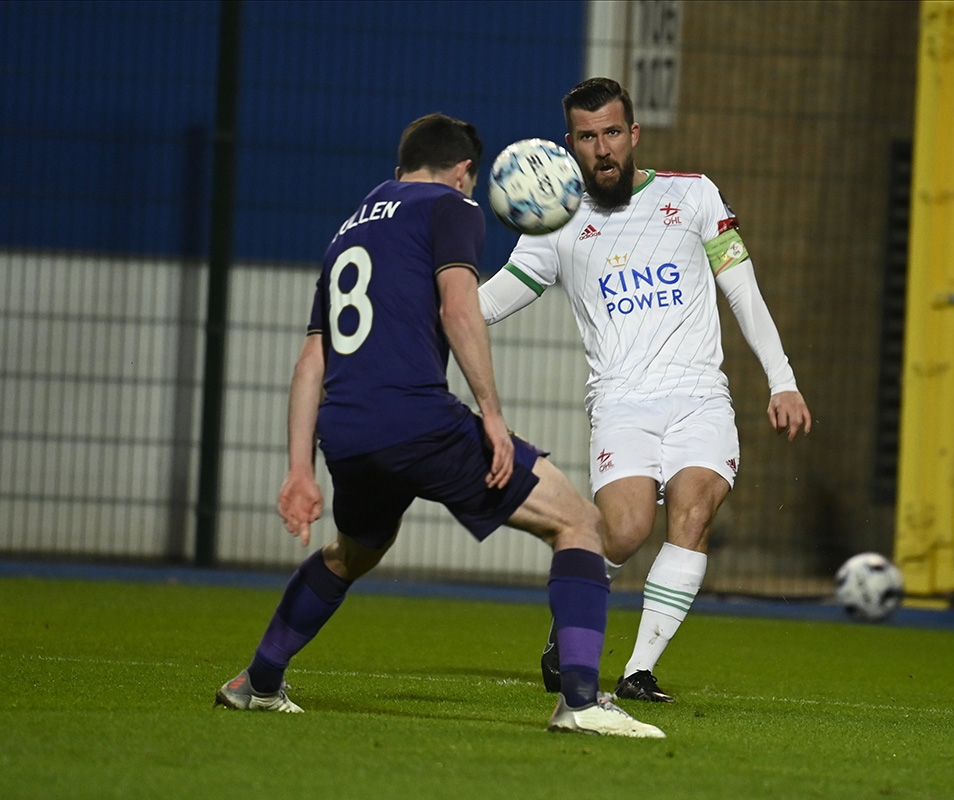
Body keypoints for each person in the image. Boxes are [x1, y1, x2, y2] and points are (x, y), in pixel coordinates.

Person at [213, 113, 664, 738]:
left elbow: (310, 360)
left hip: (346, 431)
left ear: (400, 169)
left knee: (352, 551)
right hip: (416, 418)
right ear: (463, 173)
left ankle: (257, 682)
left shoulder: (347, 232)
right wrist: (494, 417)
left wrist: (299, 470)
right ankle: (581, 701)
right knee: (579, 522)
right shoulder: (451, 208)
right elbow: (459, 307)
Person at [478, 79, 811, 702]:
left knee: (695, 509)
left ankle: (636, 671)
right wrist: (438, 314)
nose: (601, 148)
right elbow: (499, 295)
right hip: (621, 400)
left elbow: (742, 288)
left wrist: (782, 380)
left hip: (700, 396)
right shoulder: (556, 221)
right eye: (586, 137)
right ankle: (569, 616)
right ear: (569, 145)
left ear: (633, 135)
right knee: (626, 531)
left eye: (611, 133)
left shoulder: (693, 196)